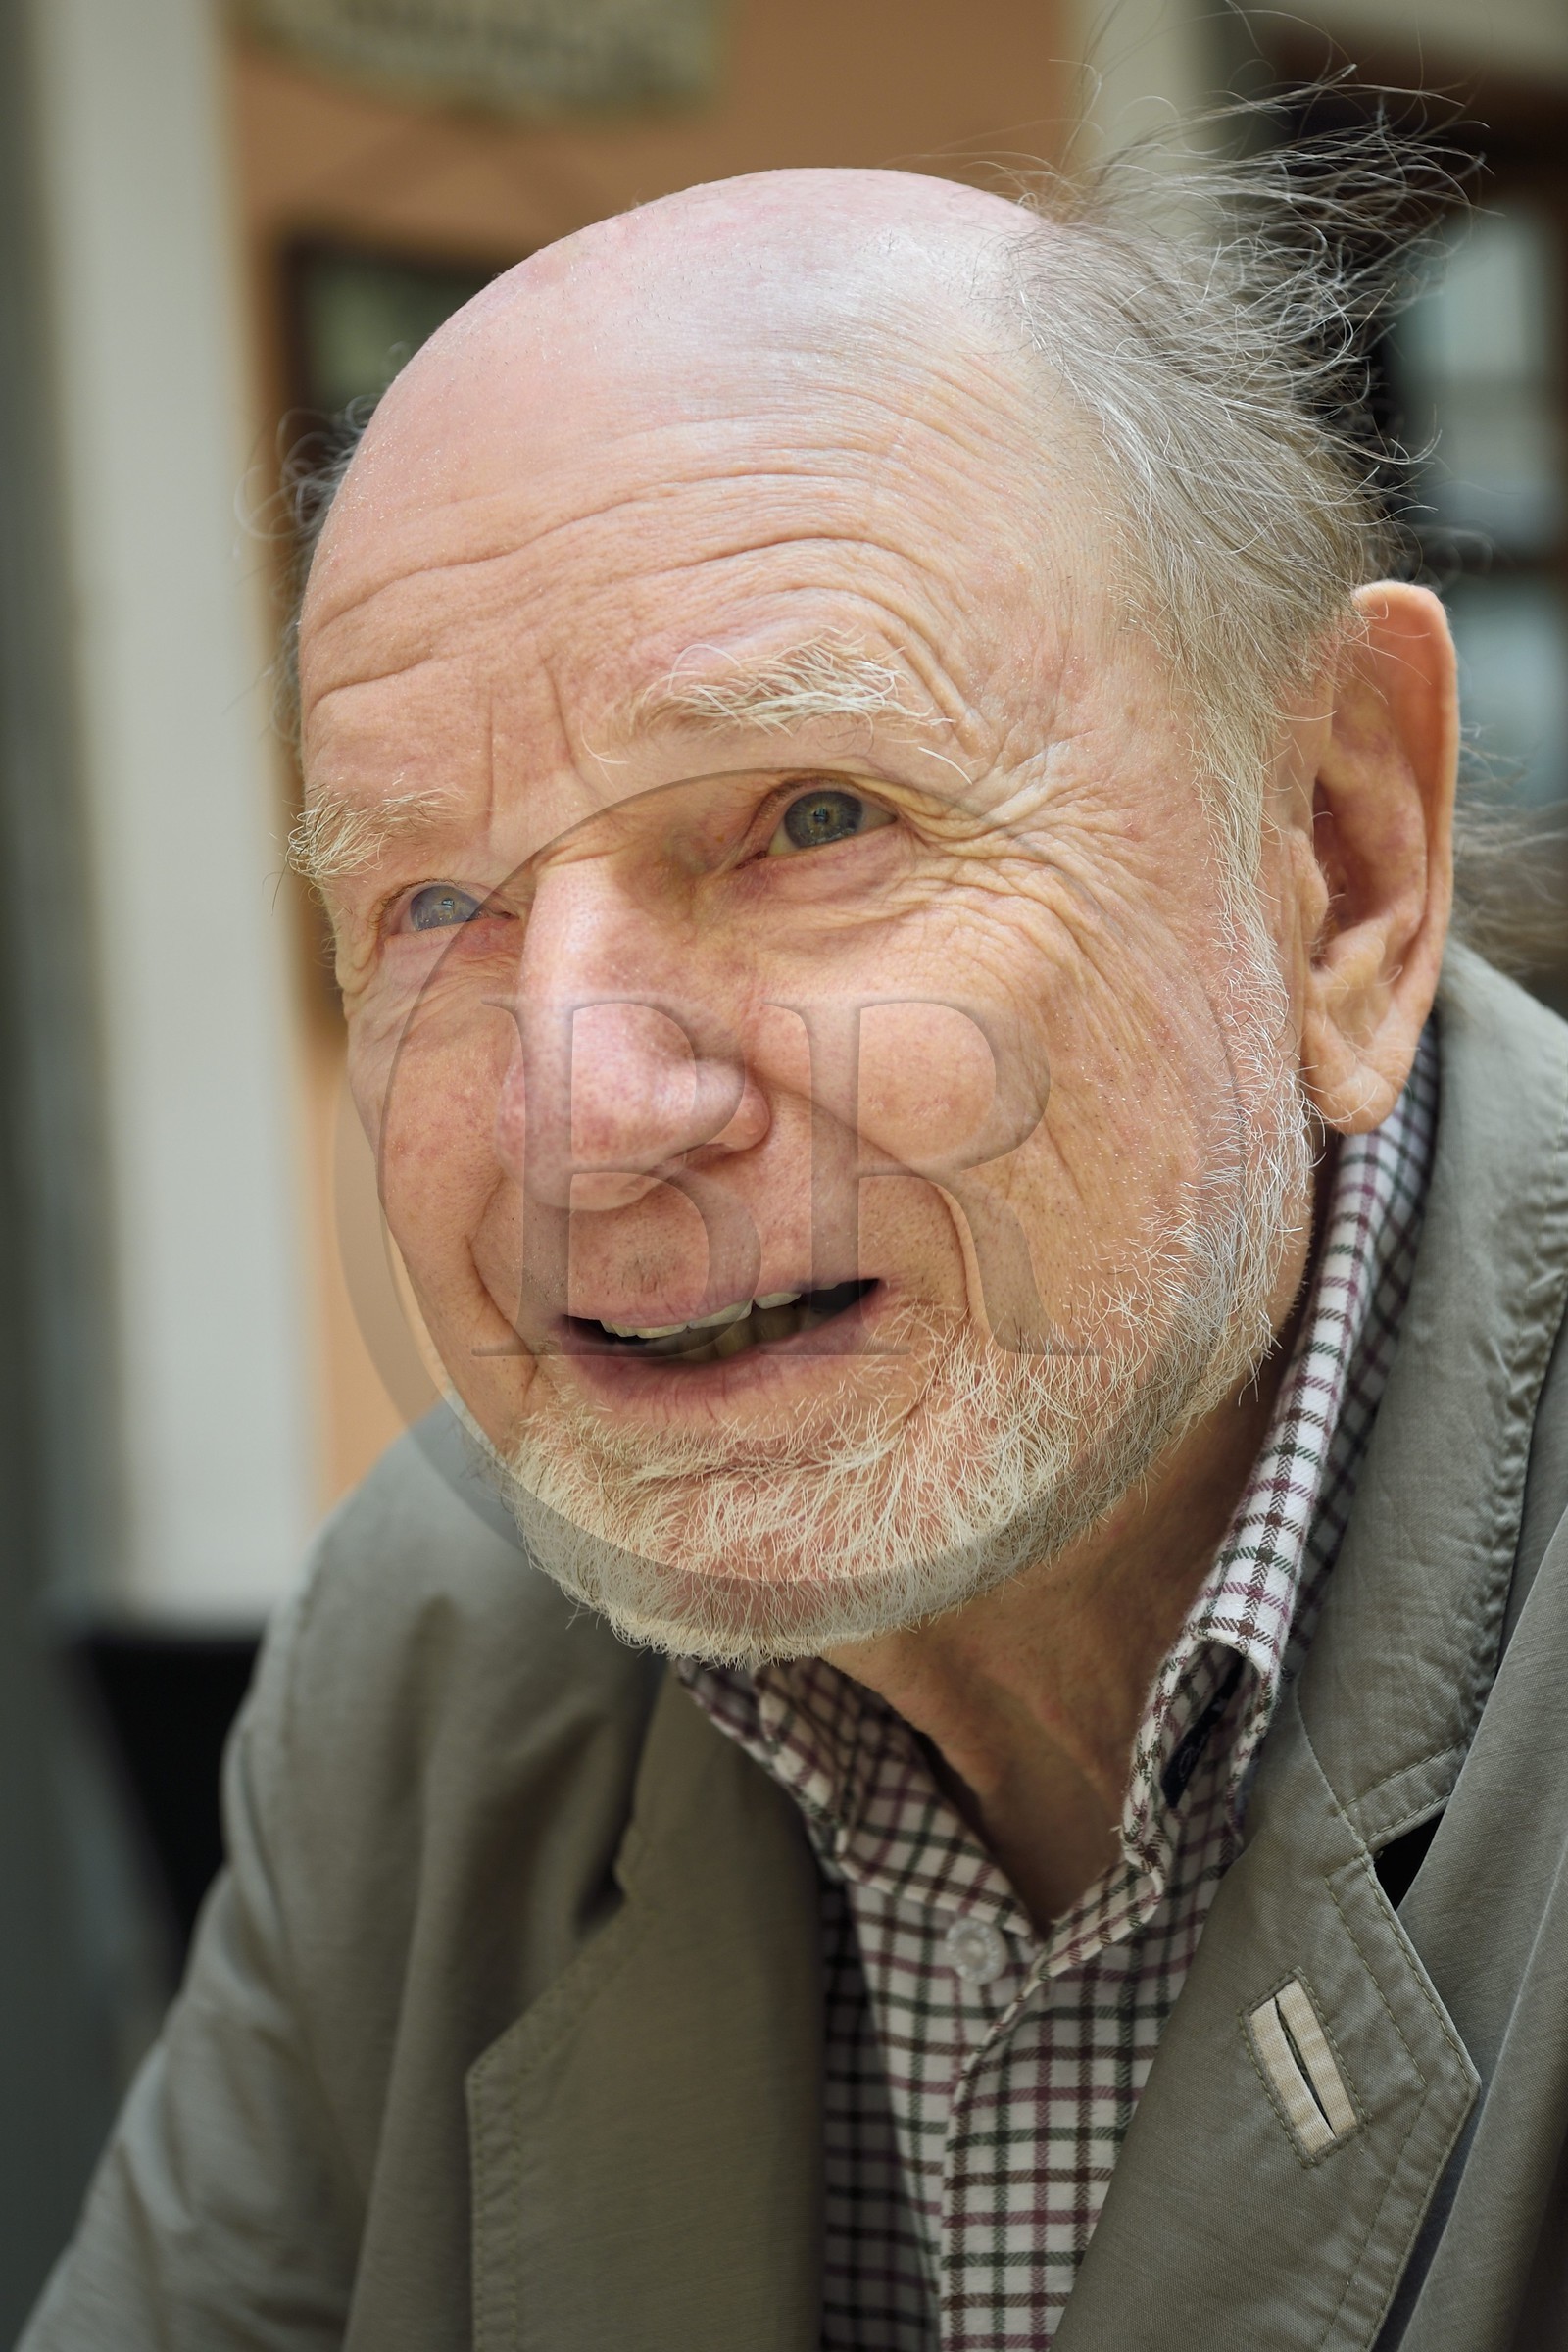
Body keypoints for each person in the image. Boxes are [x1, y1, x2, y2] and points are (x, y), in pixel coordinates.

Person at [23, 129, 1568, 2352]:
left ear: (1334, 859)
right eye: (434, 904)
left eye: (811, 819)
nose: (577, 1118)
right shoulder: (446, 1634)